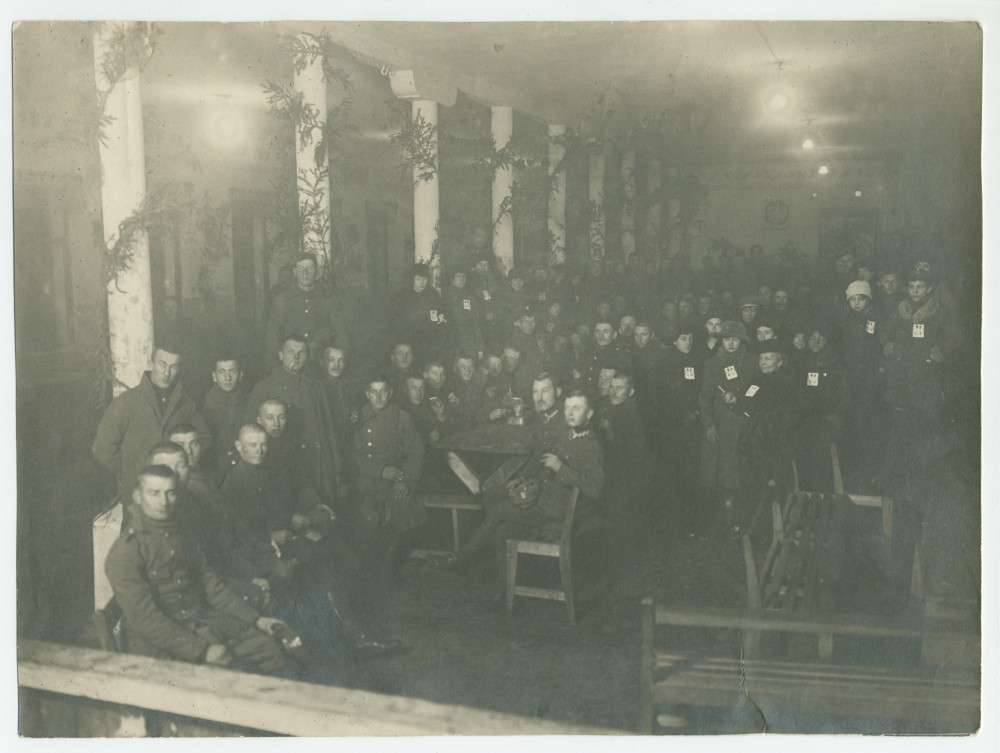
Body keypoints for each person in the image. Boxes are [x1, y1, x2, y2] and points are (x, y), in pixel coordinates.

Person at [105, 464, 289, 673]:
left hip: (201, 622)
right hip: (159, 643)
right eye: (154, 493)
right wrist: (201, 650)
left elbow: (213, 589)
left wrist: (256, 620)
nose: (163, 502)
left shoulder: (183, 535)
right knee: (228, 673)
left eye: (170, 493)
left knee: (270, 648)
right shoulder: (127, 551)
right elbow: (146, 620)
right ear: (137, 496)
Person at [442, 390, 604, 596]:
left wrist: (561, 468)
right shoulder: (567, 436)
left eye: (577, 408)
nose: (570, 413)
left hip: (556, 513)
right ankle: (503, 591)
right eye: (567, 408)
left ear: (589, 414)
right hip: (545, 502)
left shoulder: (592, 447)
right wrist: (528, 481)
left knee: (498, 512)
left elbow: (595, 488)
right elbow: (547, 470)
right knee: (502, 528)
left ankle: (461, 559)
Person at [92, 342, 210, 494]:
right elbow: (101, 449)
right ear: (151, 363)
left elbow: (204, 437)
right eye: (162, 364)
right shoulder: (126, 402)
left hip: (176, 491)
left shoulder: (185, 403)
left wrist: (183, 467)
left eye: (173, 367)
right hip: (138, 491)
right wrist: (130, 474)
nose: (166, 373)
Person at [245, 334, 340, 507]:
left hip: (318, 466)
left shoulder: (316, 387)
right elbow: (250, 432)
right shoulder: (264, 387)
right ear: (280, 354)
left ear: (308, 357)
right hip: (283, 468)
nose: (295, 357)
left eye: (301, 353)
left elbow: (329, 431)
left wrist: (336, 470)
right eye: (290, 351)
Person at [352, 376, 425, 574]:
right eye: (373, 391)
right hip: (367, 478)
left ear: (390, 393)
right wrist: (379, 470)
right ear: (367, 394)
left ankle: (389, 568)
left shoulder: (402, 417)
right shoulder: (358, 418)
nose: (378, 396)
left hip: (396, 478)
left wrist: (407, 481)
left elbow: (416, 451)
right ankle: (366, 568)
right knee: (365, 514)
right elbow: (352, 455)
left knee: (399, 508)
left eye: (383, 391)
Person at [698, 321, 759, 536]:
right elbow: (704, 398)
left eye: (735, 339)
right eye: (726, 339)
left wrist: (741, 399)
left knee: (741, 470)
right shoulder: (713, 364)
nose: (730, 344)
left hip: (745, 424)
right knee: (720, 471)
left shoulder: (752, 361)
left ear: (741, 341)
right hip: (721, 424)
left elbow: (759, 388)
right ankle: (722, 520)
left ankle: (741, 520)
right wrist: (709, 425)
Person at [264, 253, 349, 369]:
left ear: (317, 271)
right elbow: (272, 343)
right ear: (294, 272)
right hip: (291, 367)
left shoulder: (328, 300)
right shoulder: (282, 301)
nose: (305, 272)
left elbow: (341, 337)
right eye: (300, 268)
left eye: (309, 268)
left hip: (321, 368)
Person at [201, 355, 247, 480]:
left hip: (243, 464)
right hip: (214, 467)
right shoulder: (204, 404)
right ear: (214, 377)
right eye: (222, 372)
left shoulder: (249, 402)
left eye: (232, 372)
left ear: (240, 375)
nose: (227, 378)